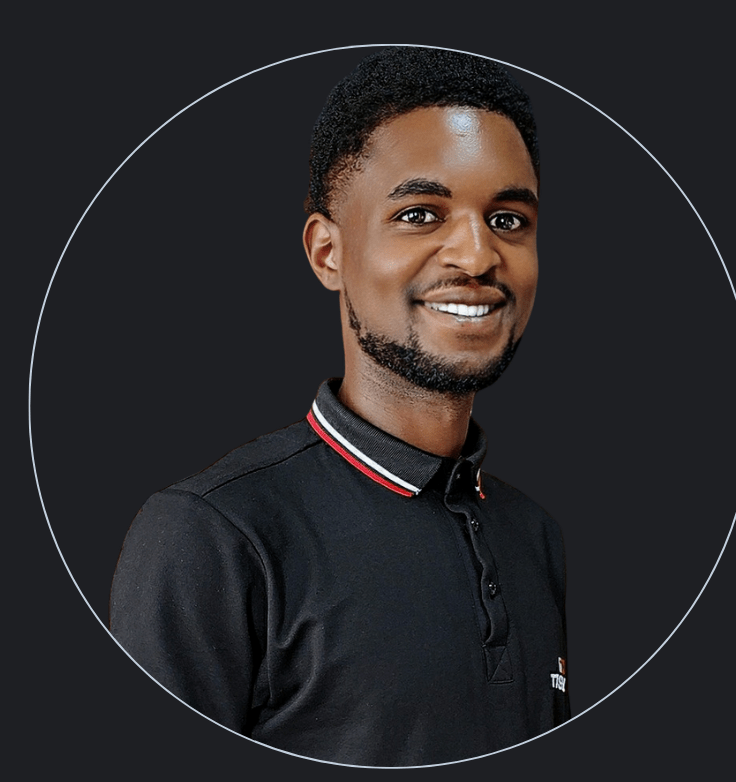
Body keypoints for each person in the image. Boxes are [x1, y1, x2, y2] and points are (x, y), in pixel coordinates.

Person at [110, 46, 570, 766]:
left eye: (508, 220)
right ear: (328, 254)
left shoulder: (534, 537)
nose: (478, 257)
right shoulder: (214, 539)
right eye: (421, 213)